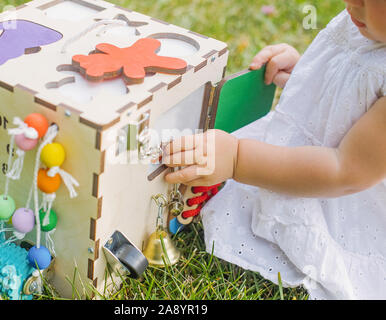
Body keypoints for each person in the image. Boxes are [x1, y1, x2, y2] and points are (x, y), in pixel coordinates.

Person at [162, 0, 386, 299]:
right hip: (308, 156)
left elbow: (344, 170)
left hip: (333, 192)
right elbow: (353, 93)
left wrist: (238, 159)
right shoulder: (368, 24)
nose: (351, 2)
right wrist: (305, 74)